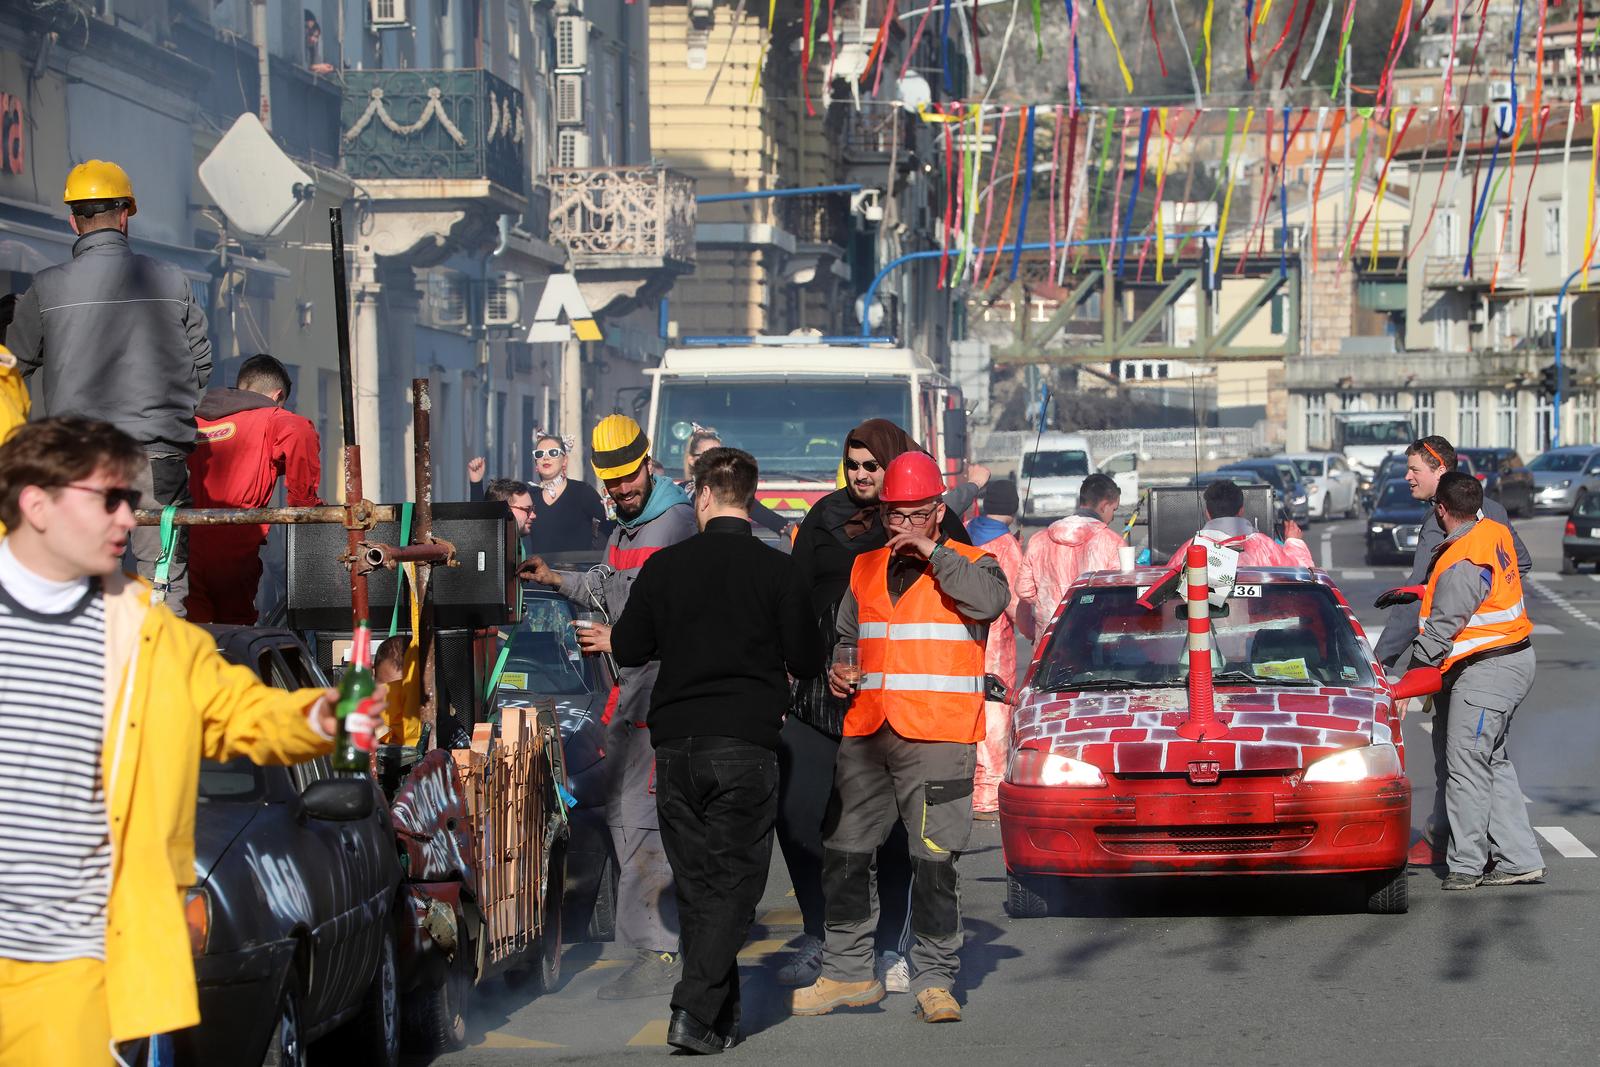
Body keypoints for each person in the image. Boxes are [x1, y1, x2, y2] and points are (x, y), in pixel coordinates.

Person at [0, 416, 370, 1067]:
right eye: (108, 499)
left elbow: (238, 710)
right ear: (37, 504)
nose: (128, 518)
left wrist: (323, 717)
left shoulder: (144, 634)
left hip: (82, 975)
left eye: (131, 499)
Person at [611, 446, 822, 1053]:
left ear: (702, 495)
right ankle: (693, 1008)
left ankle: (717, 1017)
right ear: (750, 499)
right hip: (744, 744)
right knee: (733, 885)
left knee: (701, 885)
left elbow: (628, 647)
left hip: (676, 745)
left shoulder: (665, 568)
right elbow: (807, 659)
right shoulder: (778, 570)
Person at [792, 450, 1008, 1024]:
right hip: (867, 732)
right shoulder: (864, 568)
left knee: (933, 864)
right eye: (895, 515)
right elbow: (847, 636)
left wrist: (933, 554)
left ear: (938, 512)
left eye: (915, 514)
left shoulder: (974, 563)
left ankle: (935, 979)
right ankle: (847, 973)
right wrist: (840, 669)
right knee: (844, 855)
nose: (903, 525)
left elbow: (990, 603)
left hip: (938, 736)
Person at [519, 414, 696, 999]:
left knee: (641, 819)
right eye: (612, 481)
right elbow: (605, 582)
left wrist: (616, 639)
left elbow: (666, 611)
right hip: (635, 691)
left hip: (660, 692)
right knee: (631, 817)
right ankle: (661, 943)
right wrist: (558, 580)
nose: (621, 488)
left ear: (647, 463)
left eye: (628, 476)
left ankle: (658, 949)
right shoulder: (627, 526)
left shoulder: (670, 524)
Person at [8, 160, 213, 617]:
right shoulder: (172, 280)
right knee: (162, 582)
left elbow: (13, 366)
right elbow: (201, 365)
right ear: (125, 216)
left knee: (82, 579)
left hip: (78, 463)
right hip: (157, 459)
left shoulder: (46, 288)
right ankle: (161, 657)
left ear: (72, 221)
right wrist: (168, 419)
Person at [1372, 435, 1532, 867]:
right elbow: (1520, 563)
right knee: (1485, 757)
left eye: (1414, 470)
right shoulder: (1492, 510)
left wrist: (1384, 664)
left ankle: (1460, 853)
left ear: (1440, 471)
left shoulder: (1439, 522)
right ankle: (1504, 852)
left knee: (1459, 759)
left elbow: (1427, 602)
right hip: (1501, 651)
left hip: (1466, 658)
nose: (1407, 478)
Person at [1400, 472, 1543, 890]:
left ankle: (1466, 864)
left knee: (1464, 764)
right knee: (1490, 761)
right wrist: (1423, 592)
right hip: (1509, 660)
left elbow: (1444, 626)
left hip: (1487, 671)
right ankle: (1518, 859)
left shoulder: (1463, 559)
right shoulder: (1492, 531)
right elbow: (1481, 592)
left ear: (1441, 509)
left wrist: (1408, 681)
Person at [184, 354, 322, 624]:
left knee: (194, 633)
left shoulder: (194, 421)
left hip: (186, 546)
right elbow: (300, 431)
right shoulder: (271, 418)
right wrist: (304, 503)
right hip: (233, 549)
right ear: (277, 396)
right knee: (235, 632)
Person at [965, 480, 1023, 818]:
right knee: (994, 717)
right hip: (995, 645)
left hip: (960, 640)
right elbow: (1014, 603)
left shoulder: (963, 531)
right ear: (1013, 510)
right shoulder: (1006, 545)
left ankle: (966, 789)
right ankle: (988, 795)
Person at [1016, 472, 1125, 635]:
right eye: (1113, 509)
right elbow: (1119, 595)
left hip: (1049, 636)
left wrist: (1048, 599)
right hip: (1092, 634)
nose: (1112, 517)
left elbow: (1024, 589)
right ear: (1104, 505)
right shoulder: (1112, 542)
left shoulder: (1039, 539)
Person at [679, 425, 792, 538]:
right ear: (691, 460)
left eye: (719, 455)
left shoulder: (733, 490)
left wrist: (790, 530)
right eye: (708, 455)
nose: (715, 461)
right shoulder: (680, 492)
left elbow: (774, 522)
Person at [1176, 479, 1315, 568]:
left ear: (1207, 513)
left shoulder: (1190, 549)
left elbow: (1167, 584)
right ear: (1241, 510)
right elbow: (1301, 574)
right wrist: (1294, 542)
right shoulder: (1263, 546)